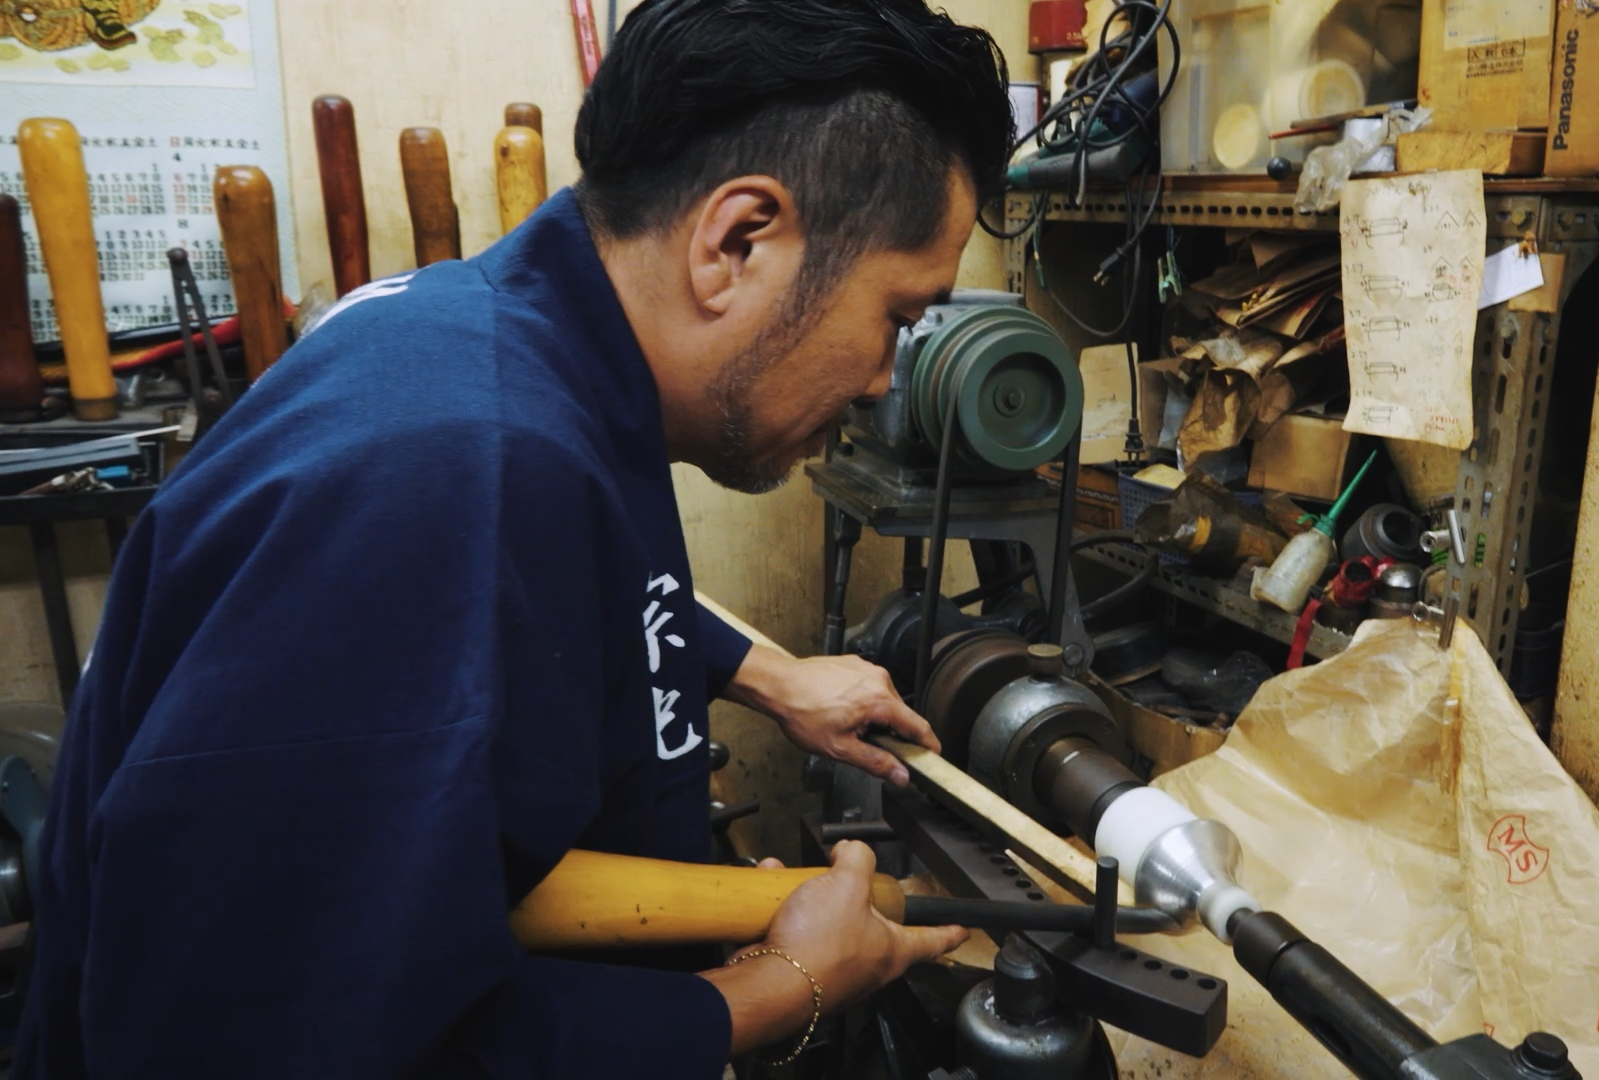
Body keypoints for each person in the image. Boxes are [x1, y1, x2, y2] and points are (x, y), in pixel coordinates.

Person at [17, 0, 1012, 1074]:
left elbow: (568, 594)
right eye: (897, 318)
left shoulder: (511, 345)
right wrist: (784, 987)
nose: (882, 381)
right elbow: (279, 1031)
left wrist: (766, 675)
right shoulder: (463, 465)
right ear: (737, 242)